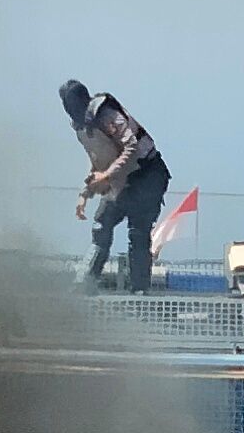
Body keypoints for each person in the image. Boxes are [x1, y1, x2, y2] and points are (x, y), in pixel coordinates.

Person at [60, 79, 169, 294]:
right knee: (102, 225)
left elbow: (131, 146)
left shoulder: (106, 115)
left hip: (146, 176)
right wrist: (86, 191)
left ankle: (139, 291)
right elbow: (99, 160)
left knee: (138, 233)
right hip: (120, 181)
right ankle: (86, 282)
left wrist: (106, 175)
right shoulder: (84, 127)